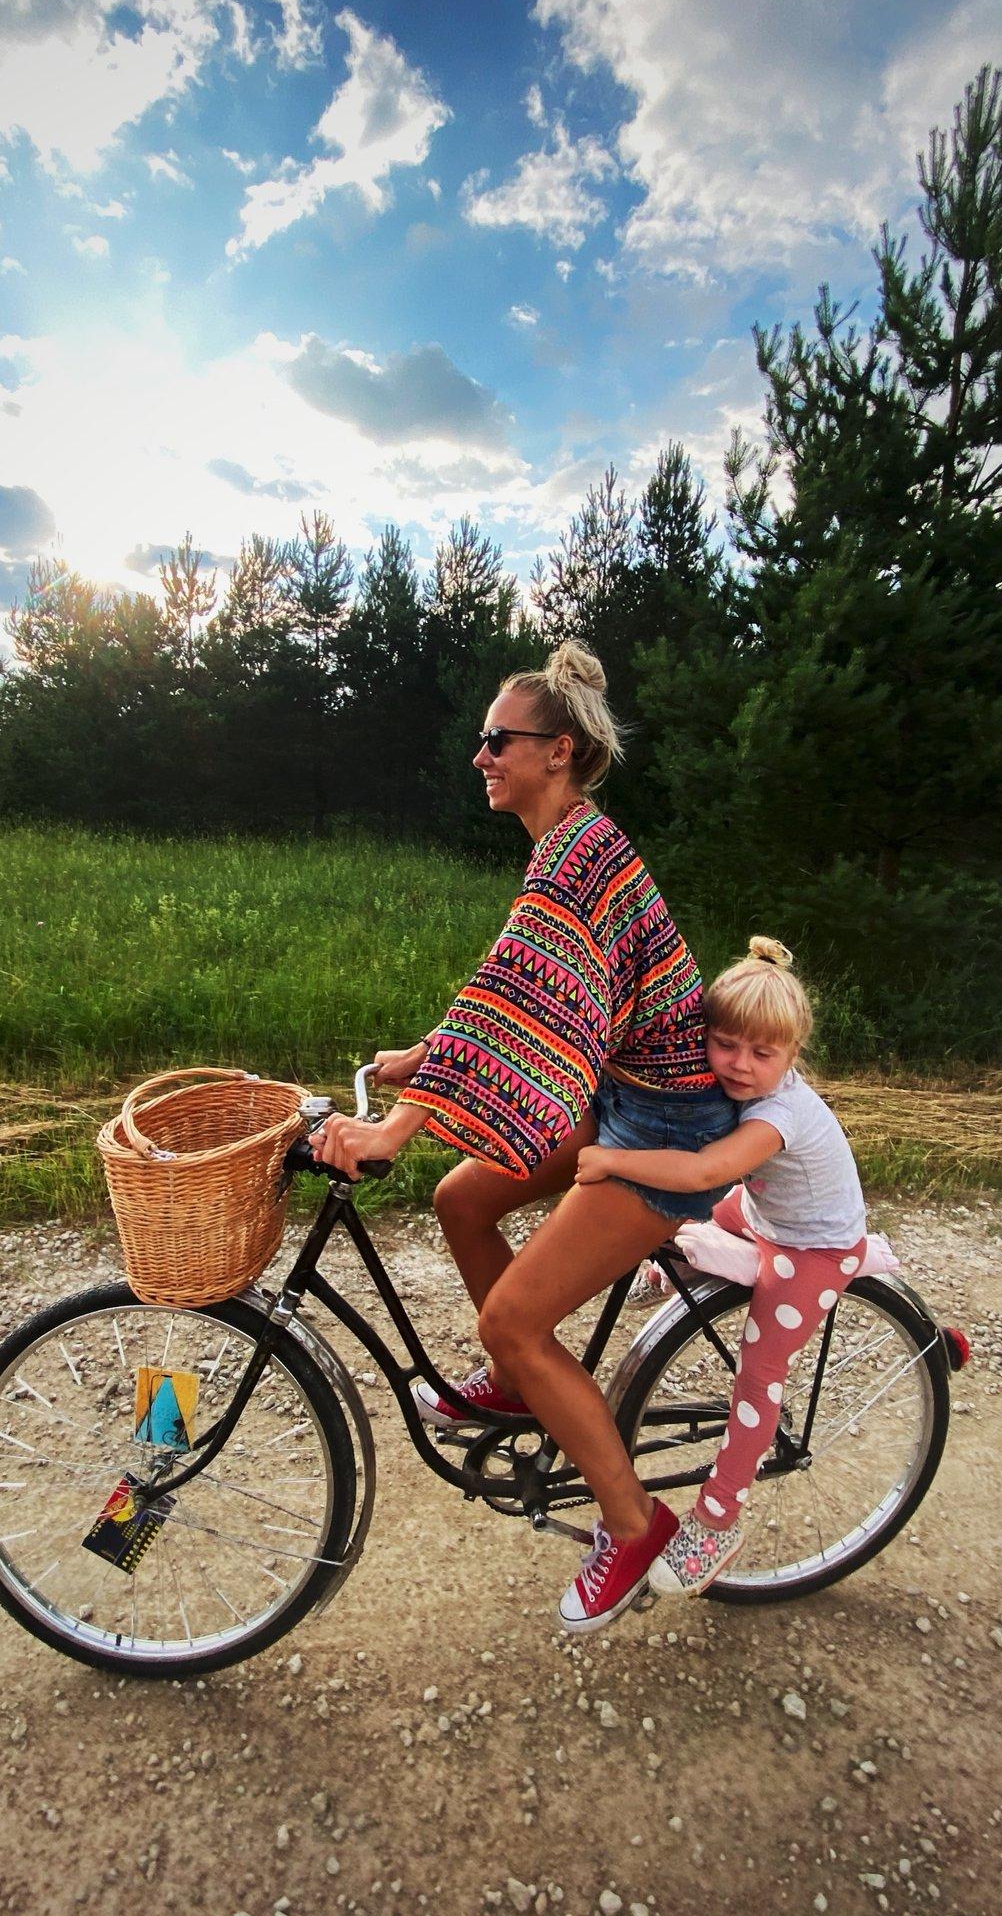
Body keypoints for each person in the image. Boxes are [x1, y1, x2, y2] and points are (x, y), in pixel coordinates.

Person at [310, 640, 736, 1633]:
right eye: (482, 740)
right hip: (624, 1094)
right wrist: (427, 1055)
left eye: (497, 740)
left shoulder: (580, 851)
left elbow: (520, 1007)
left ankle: (632, 1524)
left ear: (557, 750)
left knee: (510, 1312)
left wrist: (394, 1129)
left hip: (665, 1126)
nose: (480, 756)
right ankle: (515, 1385)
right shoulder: (562, 845)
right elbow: (523, 998)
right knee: (461, 1196)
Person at [573, 938, 867, 1597]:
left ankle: (716, 1519)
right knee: (689, 1218)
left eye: (762, 1054)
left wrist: (613, 1160)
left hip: (812, 1249)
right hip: (763, 1211)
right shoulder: (741, 1083)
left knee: (758, 1375)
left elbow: (706, 1168)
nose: (739, 1066)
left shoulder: (777, 1114)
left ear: (793, 1056)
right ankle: (665, 1270)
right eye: (725, 1044)